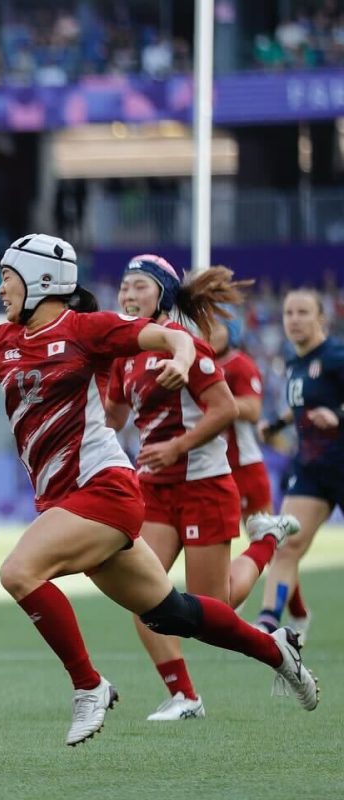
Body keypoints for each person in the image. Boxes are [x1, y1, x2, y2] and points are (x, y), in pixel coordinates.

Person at [0, 233, 318, 746]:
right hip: (68, 501)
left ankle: (89, 685)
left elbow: (175, 338)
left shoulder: (86, 329)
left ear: (43, 280)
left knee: (18, 571)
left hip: (105, 489)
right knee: (173, 613)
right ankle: (277, 652)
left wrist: (179, 357)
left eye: (6, 276)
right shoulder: (2, 341)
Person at [103, 256, 298, 722]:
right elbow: (110, 419)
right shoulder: (122, 352)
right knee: (141, 592)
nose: (128, 296)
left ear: (163, 296)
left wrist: (178, 447)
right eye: (124, 287)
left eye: (139, 287)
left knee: (215, 609)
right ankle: (185, 696)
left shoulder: (187, 346)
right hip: (154, 489)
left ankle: (267, 540)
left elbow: (226, 408)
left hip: (204, 484)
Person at [255, 288, 344, 639]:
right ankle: (268, 624)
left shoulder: (337, 356)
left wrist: (338, 415)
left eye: (303, 312)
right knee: (286, 543)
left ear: (321, 317)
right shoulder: (294, 363)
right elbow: (301, 407)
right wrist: (275, 424)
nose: (294, 319)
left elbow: (330, 408)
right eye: (289, 312)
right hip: (312, 471)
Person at [209, 314, 310, 624]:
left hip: (245, 469)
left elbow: (253, 410)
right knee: (214, 541)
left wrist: (214, 402)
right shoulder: (196, 362)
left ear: (232, 331)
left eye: (215, 327)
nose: (208, 333)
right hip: (211, 469)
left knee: (267, 541)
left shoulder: (240, 365)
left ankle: (298, 615)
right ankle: (227, 596)